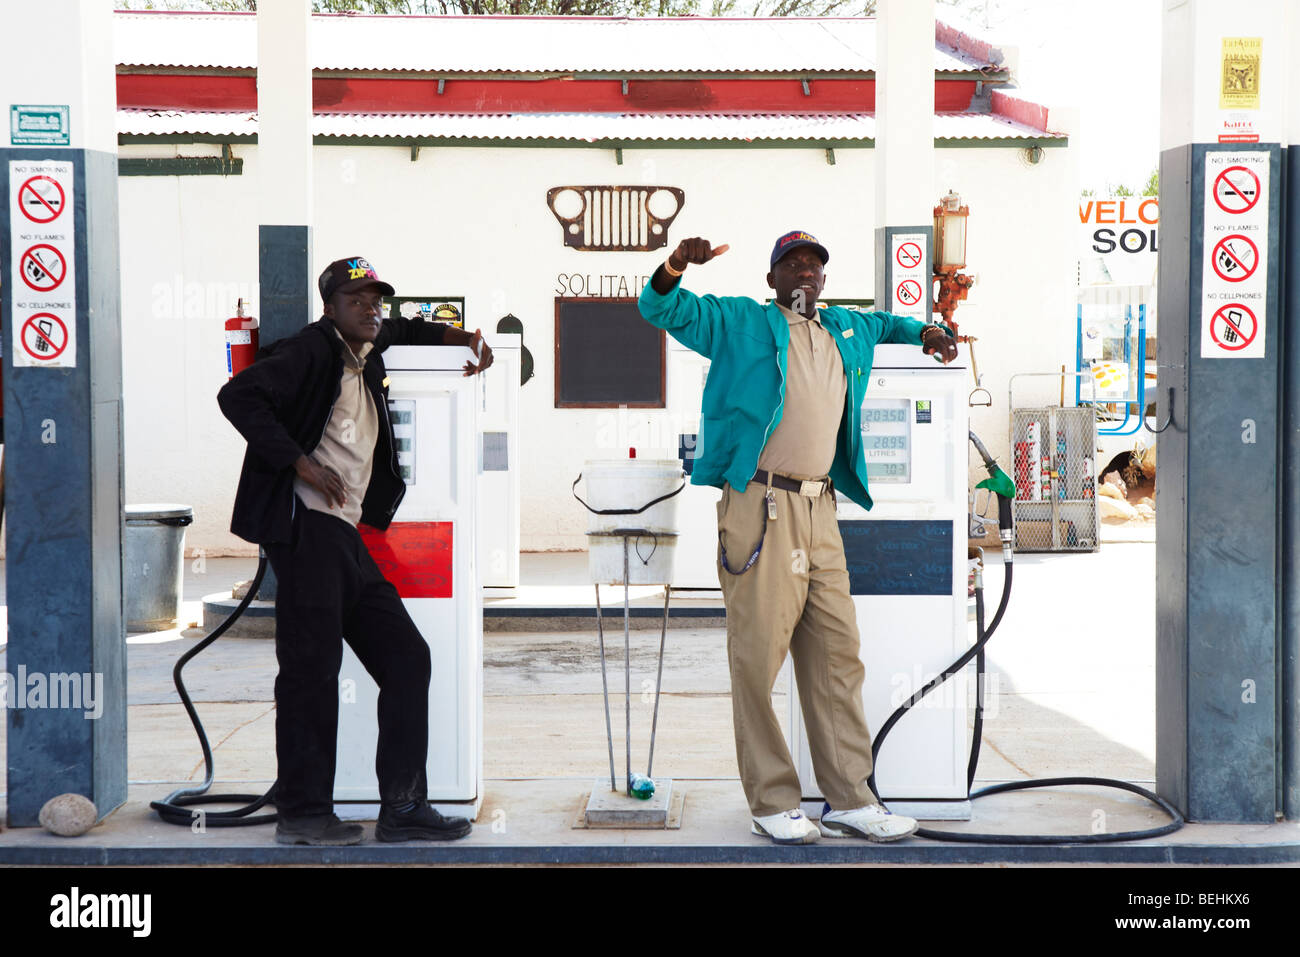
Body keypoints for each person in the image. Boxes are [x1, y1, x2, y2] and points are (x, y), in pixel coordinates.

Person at [638, 231, 957, 845]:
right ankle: (772, 800)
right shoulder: (739, 321)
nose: (806, 271)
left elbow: (890, 323)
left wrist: (927, 333)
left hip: (821, 509)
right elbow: (660, 309)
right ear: (773, 279)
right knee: (758, 658)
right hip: (760, 504)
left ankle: (851, 800)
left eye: (815, 263)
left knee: (837, 656)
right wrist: (679, 263)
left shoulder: (846, 328)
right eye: (793, 262)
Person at [218, 255, 494, 845]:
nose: (371, 309)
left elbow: (410, 328)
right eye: (357, 300)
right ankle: (303, 815)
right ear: (330, 307)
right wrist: (302, 463)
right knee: (311, 676)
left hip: (344, 536)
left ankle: (402, 808)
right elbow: (238, 396)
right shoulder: (312, 351)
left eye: (376, 300)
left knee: (406, 657)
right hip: (307, 533)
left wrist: (465, 338)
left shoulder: (365, 347)